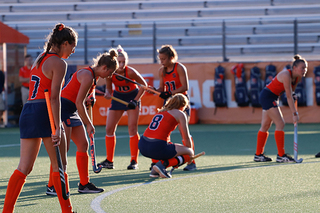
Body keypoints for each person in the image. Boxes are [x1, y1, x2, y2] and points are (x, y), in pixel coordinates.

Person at [2, 23, 77, 213]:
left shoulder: (39, 58)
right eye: (72, 47)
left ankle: (7, 211)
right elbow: (54, 97)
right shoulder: (59, 63)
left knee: (24, 167)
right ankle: (67, 211)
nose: (73, 51)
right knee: (60, 164)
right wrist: (58, 127)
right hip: (45, 111)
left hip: (28, 110)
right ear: (65, 43)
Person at [45, 49, 119, 196]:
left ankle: (84, 184)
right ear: (104, 68)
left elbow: (81, 98)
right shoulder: (87, 75)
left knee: (83, 144)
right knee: (62, 150)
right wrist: (89, 123)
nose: (109, 77)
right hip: (64, 108)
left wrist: (91, 97)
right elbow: (79, 103)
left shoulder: (93, 76)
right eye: (109, 73)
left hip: (71, 110)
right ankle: (52, 185)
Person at [98, 45, 147, 170]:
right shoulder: (110, 73)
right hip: (118, 97)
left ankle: (134, 160)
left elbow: (144, 85)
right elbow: (109, 88)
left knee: (132, 128)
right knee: (109, 128)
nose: (121, 65)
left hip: (132, 97)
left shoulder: (130, 71)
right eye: (119, 62)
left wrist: (135, 101)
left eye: (123, 62)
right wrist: (108, 94)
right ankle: (109, 160)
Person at [254, 55, 308, 163]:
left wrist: (294, 94)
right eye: (302, 68)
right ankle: (281, 155)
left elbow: (291, 92)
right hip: (267, 96)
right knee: (280, 123)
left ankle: (258, 155)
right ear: (294, 68)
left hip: (273, 97)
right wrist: (294, 113)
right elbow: (288, 96)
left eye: (305, 68)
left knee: (265, 125)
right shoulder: (286, 75)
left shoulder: (298, 77)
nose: (304, 70)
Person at [152, 44, 196, 171]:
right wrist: (155, 90)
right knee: (165, 132)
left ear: (171, 57)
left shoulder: (179, 68)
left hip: (181, 103)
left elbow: (185, 87)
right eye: (160, 59)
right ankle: (164, 161)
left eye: (164, 59)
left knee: (184, 133)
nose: (161, 62)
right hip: (169, 104)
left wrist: (170, 93)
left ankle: (190, 161)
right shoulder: (162, 71)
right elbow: (162, 88)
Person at [139, 93, 194, 178]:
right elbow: (186, 138)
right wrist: (189, 155)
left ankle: (155, 170)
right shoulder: (180, 114)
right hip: (156, 146)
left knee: (169, 147)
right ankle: (163, 165)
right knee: (189, 152)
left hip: (142, 145)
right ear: (183, 106)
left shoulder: (161, 111)